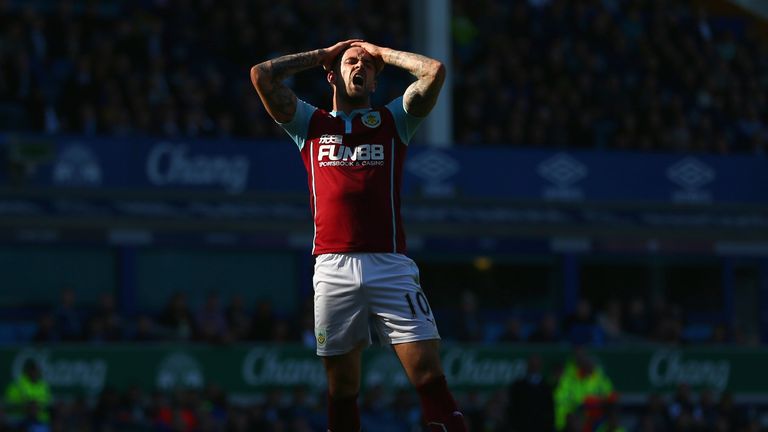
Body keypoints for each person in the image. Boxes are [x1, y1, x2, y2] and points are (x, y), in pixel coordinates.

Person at [250, 39, 466, 431]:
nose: (360, 66)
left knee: (429, 376)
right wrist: (320, 55)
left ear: (374, 80)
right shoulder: (309, 123)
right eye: (352, 61)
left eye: (368, 65)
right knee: (343, 388)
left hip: (390, 265)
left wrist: (382, 54)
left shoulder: (393, 121)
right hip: (333, 268)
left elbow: (433, 71)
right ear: (333, 74)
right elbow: (262, 75)